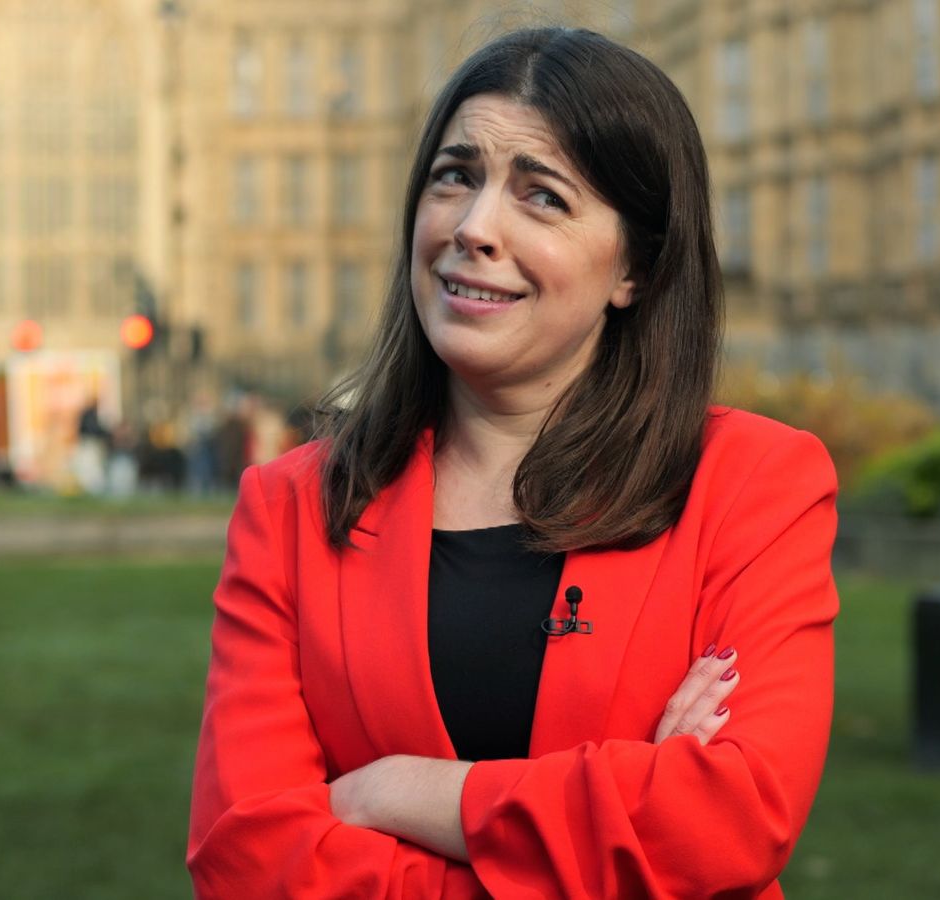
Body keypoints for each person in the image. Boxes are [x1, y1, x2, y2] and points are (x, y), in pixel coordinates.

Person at [187, 27, 838, 899]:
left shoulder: (755, 484)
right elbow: (247, 858)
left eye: (542, 197)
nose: (474, 228)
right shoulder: (292, 506)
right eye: (456, 176)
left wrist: (403, 793)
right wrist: (623, 827)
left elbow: (733, 816)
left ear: (635, 269)